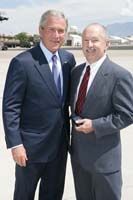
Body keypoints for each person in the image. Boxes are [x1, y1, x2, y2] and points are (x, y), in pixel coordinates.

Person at [2, 9, 76, 200]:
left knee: (53, 195)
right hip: (30, 149)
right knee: (24, 195)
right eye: (51, 30)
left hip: (59, 147)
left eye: (61, 31)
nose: (56, 35)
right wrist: (15, 144)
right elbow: (11, 107)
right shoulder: (23, 62)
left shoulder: (68, 60)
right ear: (41, 31)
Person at [70, 23, 133, 200]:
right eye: (85, 40)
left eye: (95, 40)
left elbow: (127, 115)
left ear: (107, 44)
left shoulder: (119, 75)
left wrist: (95, 125)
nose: (89, 45)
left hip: (104, 160)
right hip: (79, 157)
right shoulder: (76, 73)